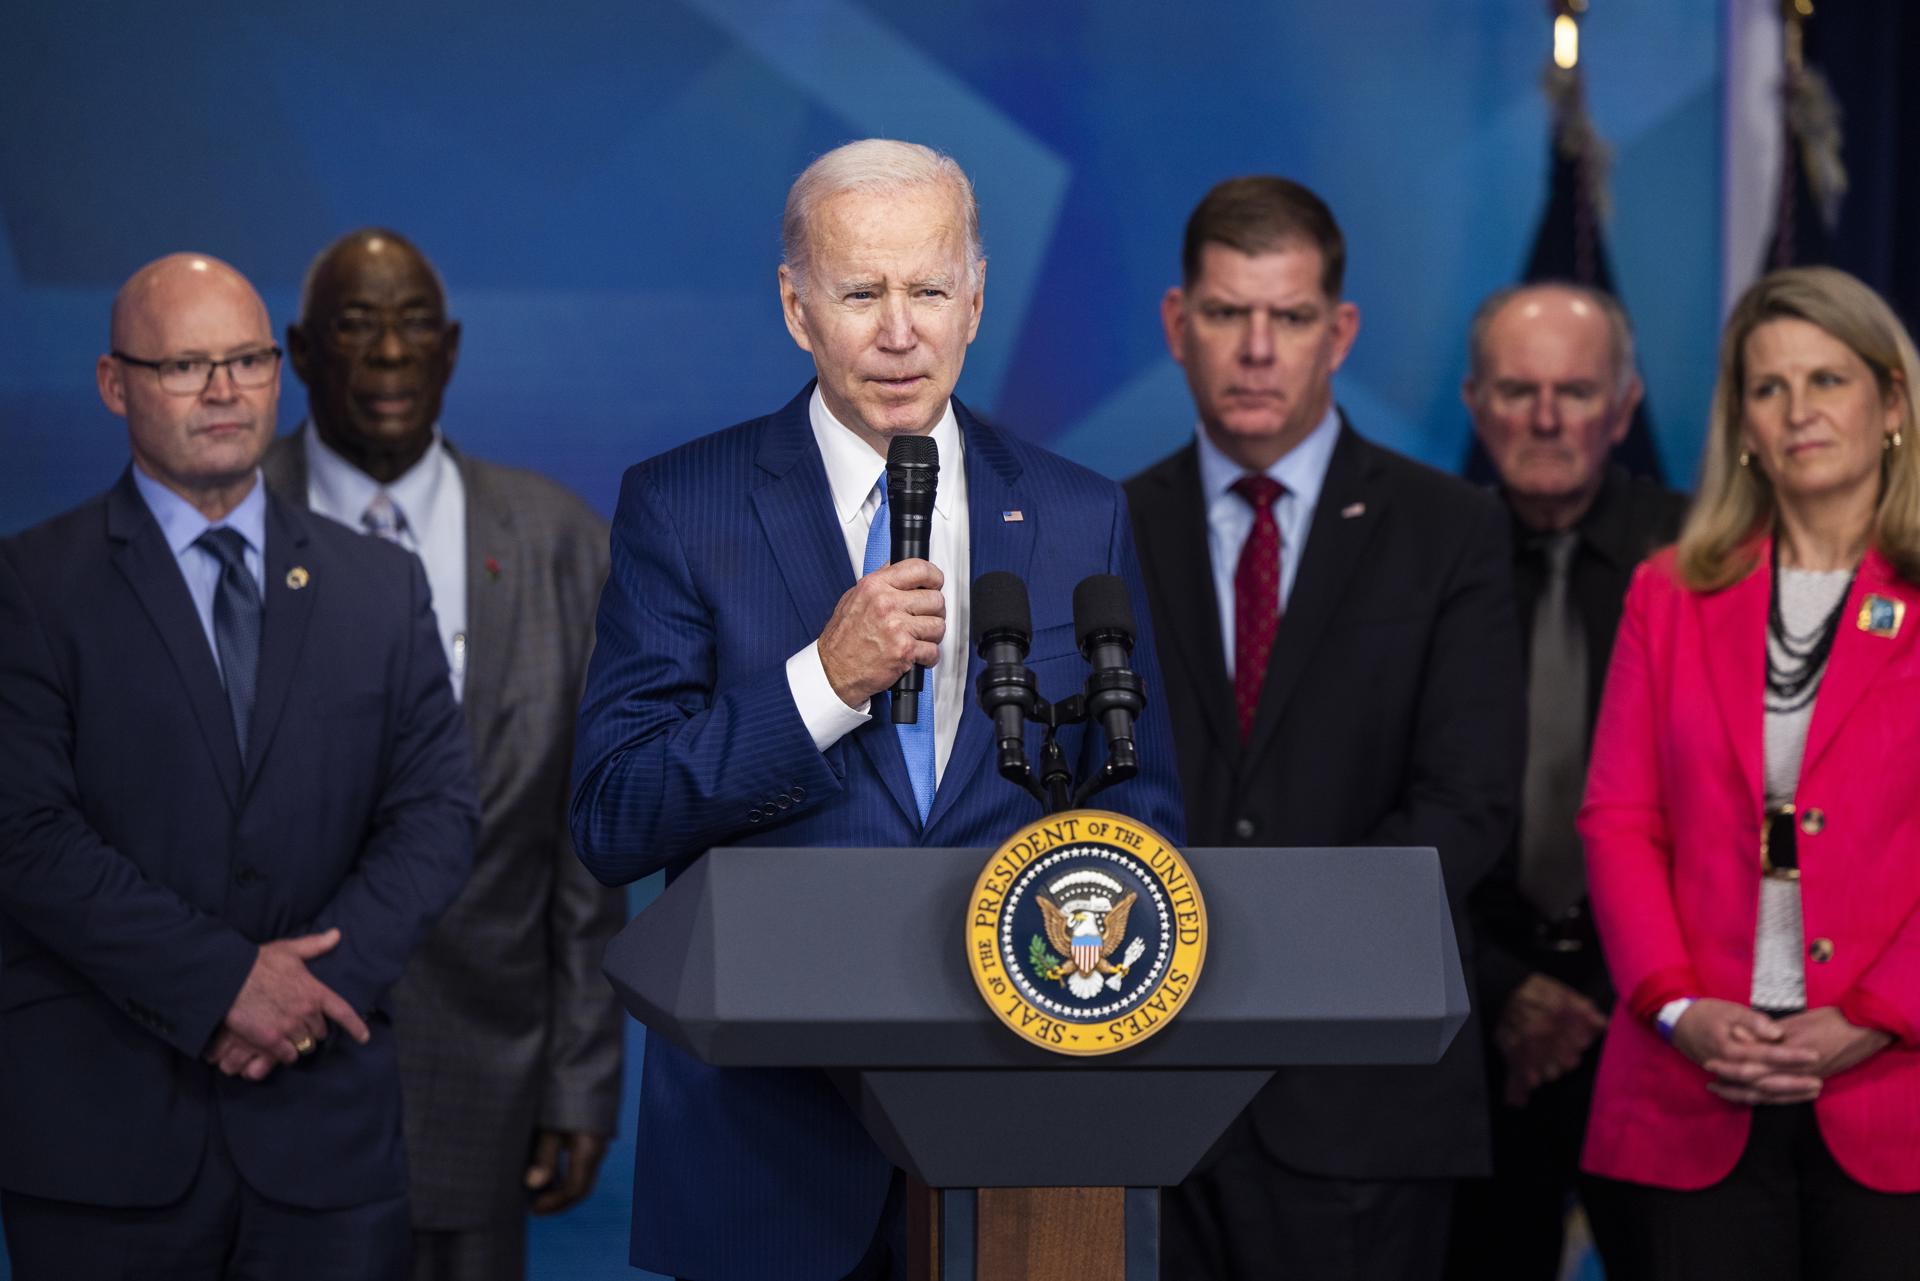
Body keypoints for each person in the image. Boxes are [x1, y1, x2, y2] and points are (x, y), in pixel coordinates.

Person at [569, 138, 1186, 1281]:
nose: (899, 332)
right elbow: (614, 816)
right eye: (861, 293)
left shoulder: (1073, 513)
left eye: (929, 290)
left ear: (977, 299)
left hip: (1021, 1147)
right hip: (769, 1156)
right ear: (798, 309)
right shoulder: (683, 508)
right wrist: (823, 683)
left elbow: (1139, 817)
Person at [0, 253, 477, 1279]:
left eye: (248, 360)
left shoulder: (380, 587)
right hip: (103, 1144)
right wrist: (223, 985)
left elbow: (436, 815)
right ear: (113, 383)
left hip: (327, 1134)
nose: (224, 392)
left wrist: (307, 996)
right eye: (184, 366)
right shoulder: (30, 588)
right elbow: (24, 836)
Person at [1125, 176, 1523, 1281]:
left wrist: (1260, 952)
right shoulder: (1099, 527)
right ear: (1176, 325)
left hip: (1362, 1101)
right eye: (1225, 314)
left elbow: (1467, 804)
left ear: (1337, 332)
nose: (1257, 350)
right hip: (1140, 1093)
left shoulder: (1452, 531)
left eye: (1289, 318)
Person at [264, 229, 626, 1281]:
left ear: (452, 348)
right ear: (298, 349)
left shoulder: (561, 539)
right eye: (354, 324)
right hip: (261, 1080)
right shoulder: (229, 520)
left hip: (491, 1077)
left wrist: (580, 1078)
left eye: (414, 323)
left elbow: (584, 849)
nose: (387, 353)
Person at [1578, 265, 1920, 1280]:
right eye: (1770, 388)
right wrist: (1680, 1009)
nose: (1800, 411)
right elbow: (1617, 819)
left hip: (1894, 1091)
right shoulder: (1670, 592)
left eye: (1828, 380)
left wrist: (1871, 1018)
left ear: (1890, 402)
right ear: (1743, 423)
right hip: (1695, 1089)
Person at [1445, 284, 1687, 1280]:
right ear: (1474, 404)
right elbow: (1381, 799)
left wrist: (1602, 993)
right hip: (1467, 1016)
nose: (1546, 418)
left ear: (1625, 409)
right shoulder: (1418, 557)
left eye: (1577, 391)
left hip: (1661, 1021)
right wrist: (1504, 989)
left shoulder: (1703, 557)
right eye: (1518, 389)